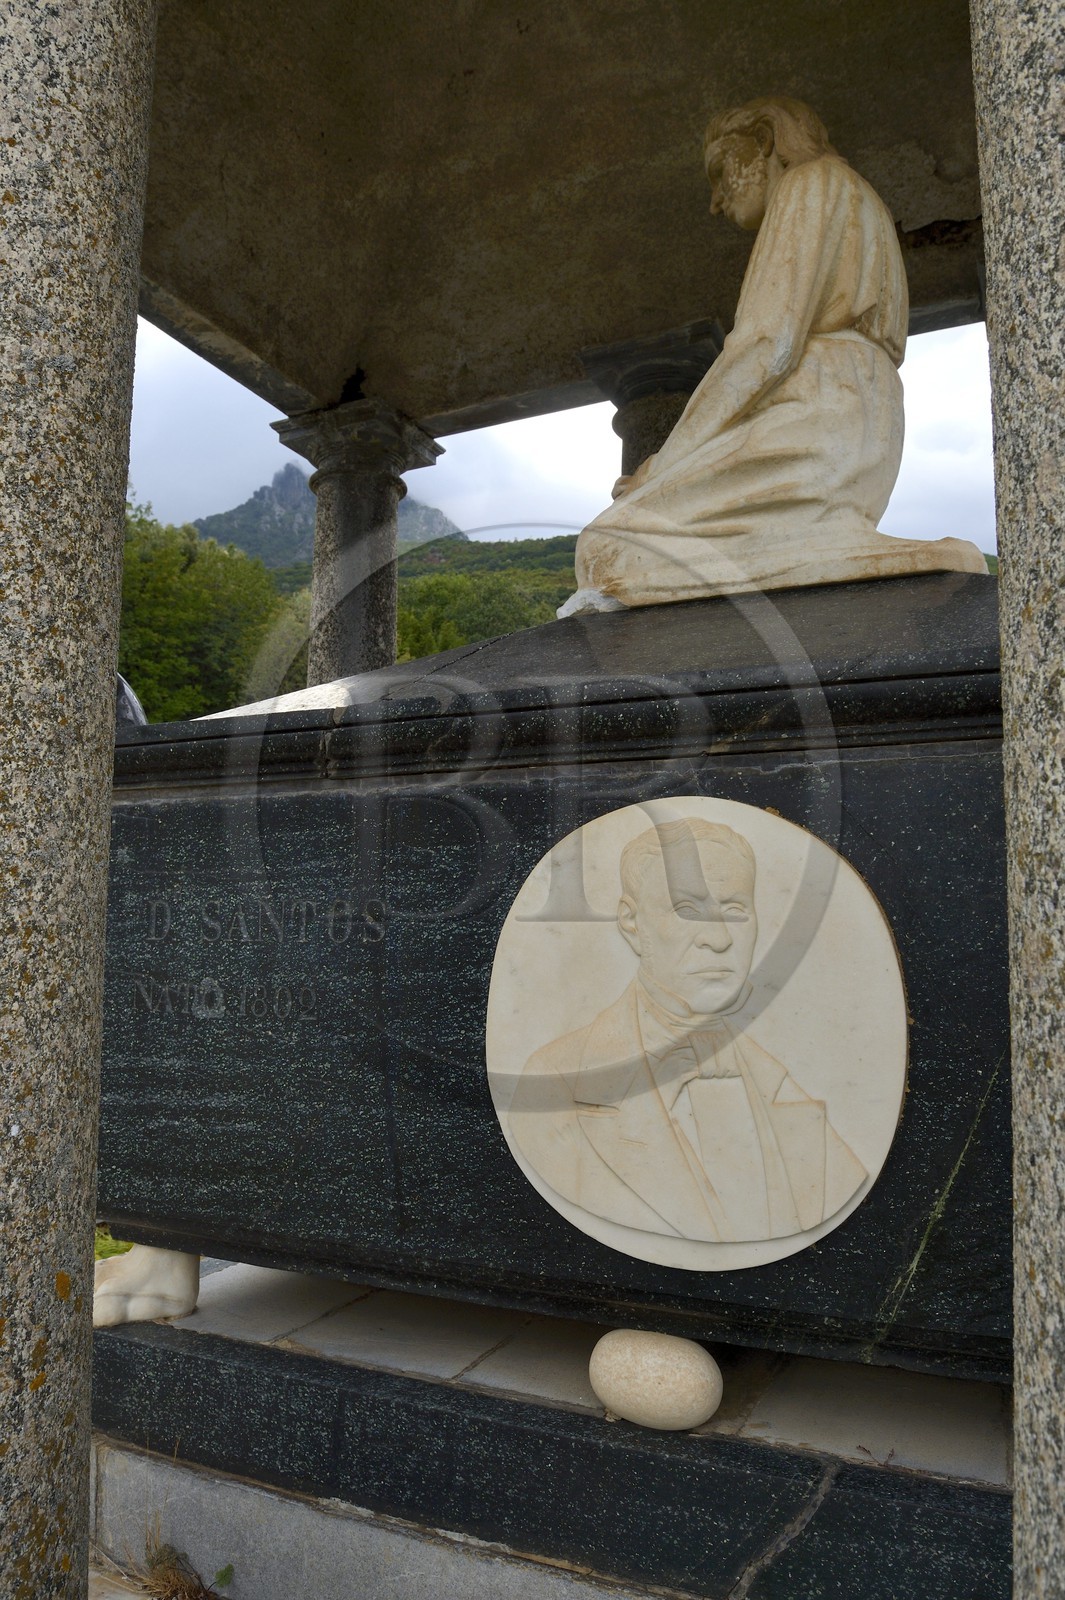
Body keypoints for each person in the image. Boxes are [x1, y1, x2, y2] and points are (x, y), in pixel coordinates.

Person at [561, 97, 985, 615]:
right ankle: (843, 552)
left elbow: (765, 345)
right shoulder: (856, 197)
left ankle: (862, 556)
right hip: (853, 415)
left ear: (762, 142)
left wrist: (664, 466)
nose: (716, 201)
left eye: (720, 171)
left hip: (815, 412)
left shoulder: (809, 183)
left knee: (607, 548)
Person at [508, 818, 866, 1243]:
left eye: (735, 911)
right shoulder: (555, 1084)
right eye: (686, 909)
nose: (717, 939)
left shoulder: (781, 1086)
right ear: (631, 922)